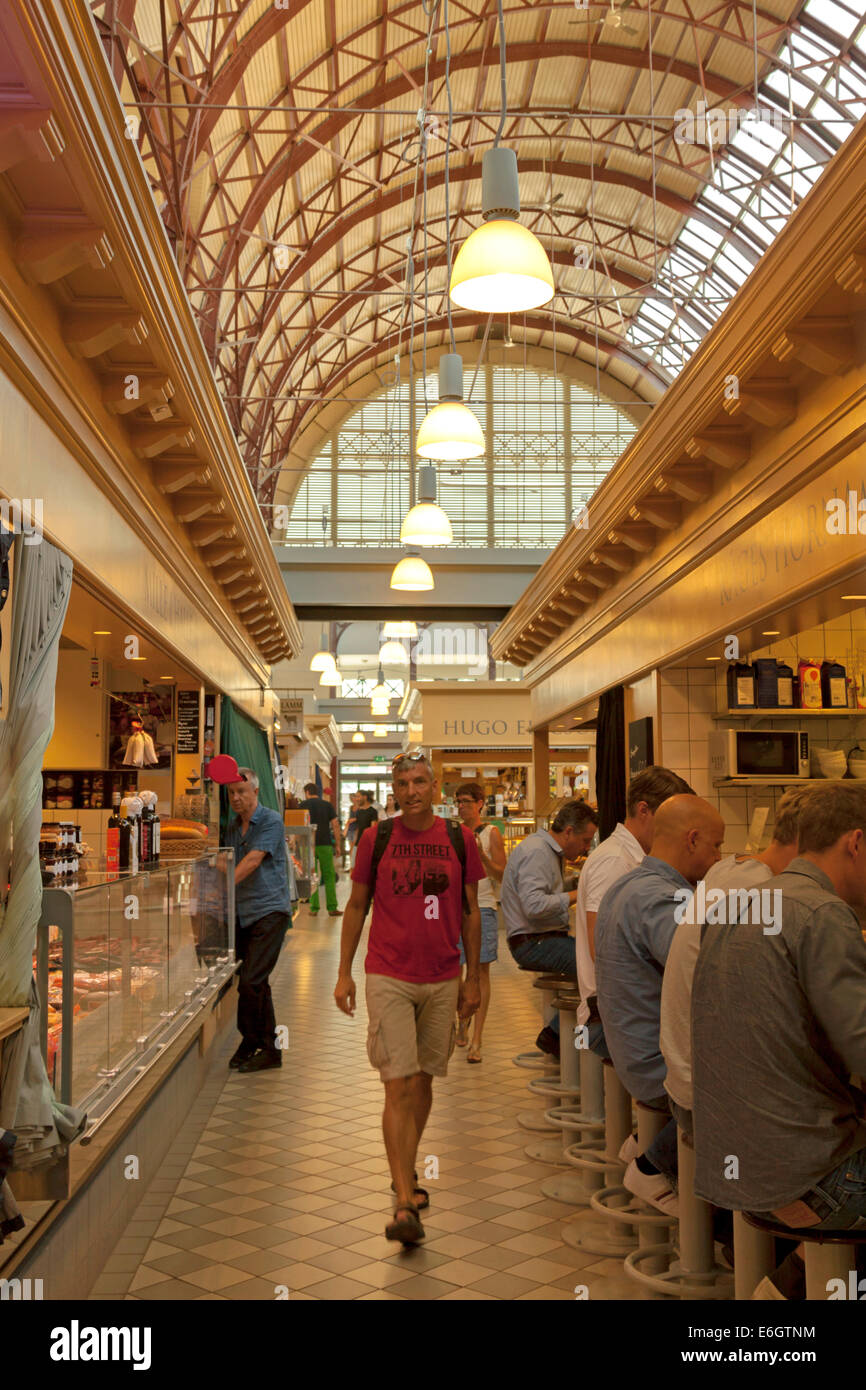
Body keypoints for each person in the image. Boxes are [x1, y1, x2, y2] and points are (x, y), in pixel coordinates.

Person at [692, 784, 866, 1250]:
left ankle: (782, 1287)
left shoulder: (737, 903)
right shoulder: (822, 913)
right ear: (856, 842)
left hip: (736, 1166)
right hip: (805, 1179)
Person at [334, 749, 484, 1245]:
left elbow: (471, 912)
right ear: (393, 791)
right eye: (403, 784)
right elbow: (356, 906)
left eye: (420, 782)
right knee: (396, 1084)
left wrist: (473, 978)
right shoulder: (377, 839)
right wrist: (344, 973)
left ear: (435, 788)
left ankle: (410, 1170)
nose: (412, 791)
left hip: (442, 976)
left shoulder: (460, 841)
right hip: (388, 974)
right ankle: (402, 1199)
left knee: (423, 1081)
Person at [595, 795, 724, 1213]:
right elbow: (701, 975)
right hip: (655, 1065)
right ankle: (656, 1164)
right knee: (760, 1078)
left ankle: (650, 1142)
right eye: (716, 846)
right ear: (692, 840)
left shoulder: (630, 883)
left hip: (629, 1051)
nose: (719, 857)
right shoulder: (665, 899)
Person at [661, 786, 809, 1123]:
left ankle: (651, 1160)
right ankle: (653, 1164)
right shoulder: (759, 894)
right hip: (703, 1093)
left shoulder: (730, 871)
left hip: (680, 1075)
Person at [575, 766, 693, 1055]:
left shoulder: (631, 856)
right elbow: (599, 948)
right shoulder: (616, 860)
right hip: (608, 1020)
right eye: (670, 819)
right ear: (644, 810)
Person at [501, 800, 599, 1059]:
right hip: (532, 943)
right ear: (568, 831)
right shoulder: (538, 851)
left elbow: (544, 890)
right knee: (597, 966)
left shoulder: (545, 849)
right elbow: (534, 906)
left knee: (593, 961)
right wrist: (577, 894)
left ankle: (571, 1039)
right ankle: (558, 1036)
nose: (586, 847)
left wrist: (574, 884)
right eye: (585, 840)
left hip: (540, 938)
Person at [224, 767, 293, 1073]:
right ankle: (259, 1044)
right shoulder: (231, 827)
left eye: (241, 791)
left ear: (255, 791)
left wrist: (219, 889)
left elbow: (252, 861)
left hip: (269, 911)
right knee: (253, 982)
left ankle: (260, 1043)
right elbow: (225, 861)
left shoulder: (271, 820)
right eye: (231, 793)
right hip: (243, 913)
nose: (236, 798)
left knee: (252, 981)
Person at [454, 781, 507, 1062]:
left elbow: (502, 874)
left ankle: (477, 1039)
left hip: (484, 906)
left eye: (466, 801)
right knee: (455, 971)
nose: (461, 806)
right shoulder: (453, 833)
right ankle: (462, 1018)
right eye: (458, 801)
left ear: (479, 803)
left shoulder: (491, 833)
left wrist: (481, 855)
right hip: (456, 908)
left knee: (481, 972)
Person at [300, 781, 341, 918]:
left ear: (307, 792)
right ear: (317, 792)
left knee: (312, 876)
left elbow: (298, 827)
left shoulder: (302, 805)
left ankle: (314, 907)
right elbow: (335, 825)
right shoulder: (327, 805)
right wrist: (338, 845)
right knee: (329, 875)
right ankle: (332, 908)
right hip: (325, 844)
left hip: (308, 845)